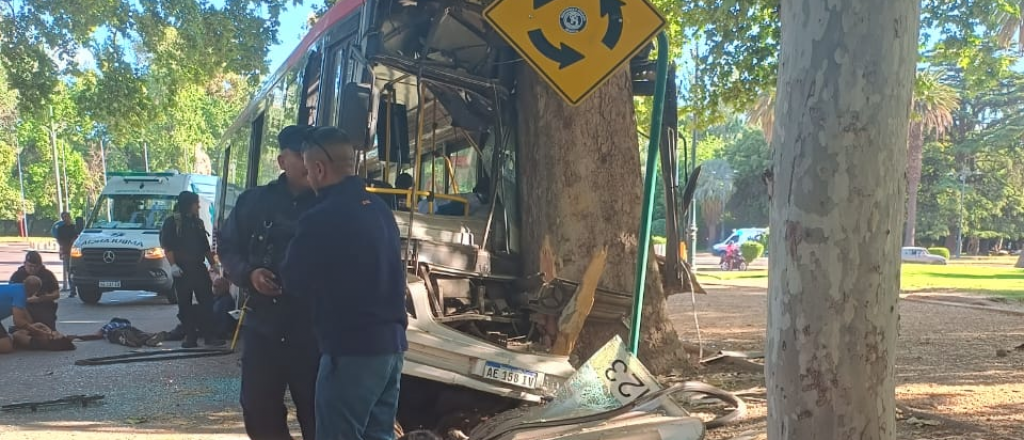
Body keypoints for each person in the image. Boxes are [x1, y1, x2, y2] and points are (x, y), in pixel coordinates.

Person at [281, 127, 408, 440]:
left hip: (350, 350)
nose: (308, 178)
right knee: (379, 434)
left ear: (319, 169)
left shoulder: (321, 217)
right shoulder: (381, 210)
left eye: (308, 170)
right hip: (391, 349)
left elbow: (294, 279)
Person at [218, 125, 321, 440]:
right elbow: (228, 247)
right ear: (282, 161)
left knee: (319, 412)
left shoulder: (330, 205)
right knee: (259, 409)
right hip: (264, 324)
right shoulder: (254, 202)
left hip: (314, 329)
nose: (307, 163)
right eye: (300, 155)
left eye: (313, 155)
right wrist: (249, 274)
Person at [160, 190, 225, 348]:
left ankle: (210, 336)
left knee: (207, 302)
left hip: (198, 267)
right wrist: (173, 265)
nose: (199, 206)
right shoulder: (172, 223)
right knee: (184, 304)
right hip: (182, 270)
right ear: (188, 204)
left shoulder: (197, 223)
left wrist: (214, 265)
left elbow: (205, 248)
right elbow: (167, 247)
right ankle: (190, 338)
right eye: (196, 203)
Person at [9, 251, 61, 331]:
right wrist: (26, 300)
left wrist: (41, 298)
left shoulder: (47, 274)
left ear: (40, 266)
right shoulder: (17, 276)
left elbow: (56, 294)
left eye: (36, 267)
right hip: (24, 308)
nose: (32, 269)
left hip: (44, 308)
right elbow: (11, 296)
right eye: (30, 266)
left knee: (48, 332)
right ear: (25, 263)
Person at [0, 283, 43, 354]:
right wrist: (35, 330)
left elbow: (27, 318)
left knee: (8, 341)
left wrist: (32, 327)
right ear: (35, 292)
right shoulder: (21, 293)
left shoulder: (17, 288)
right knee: (6, 346)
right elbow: (18, 321)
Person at [56, 211, 80, 295]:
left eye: (67, 217)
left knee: (75, 269)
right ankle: (72, 289)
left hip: (75, 251)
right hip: (66, 251)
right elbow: (59, 240)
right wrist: (61, 250)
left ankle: (77, 286)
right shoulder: (61, 229)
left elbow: (78, 237)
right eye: (64, 217)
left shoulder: (74, 227)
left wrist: (74, 240)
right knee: (69, 270)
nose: (65, 219)